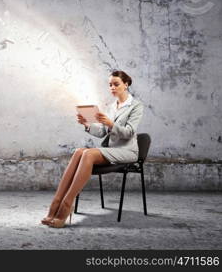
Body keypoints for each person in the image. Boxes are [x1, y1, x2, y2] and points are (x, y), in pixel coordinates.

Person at [41, 70, 144, 228]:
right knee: (78, 151)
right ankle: (56, 202)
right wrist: (87, 125)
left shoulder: (136, 106)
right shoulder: (112, 106)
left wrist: (110, 123)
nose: (112, 87)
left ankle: (66, 205)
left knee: (88, 154)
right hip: (111, 150)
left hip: (127, 151)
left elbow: (129, 133)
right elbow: (103, 132)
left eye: (116, 84)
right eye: (110, 85)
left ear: (126, 84)